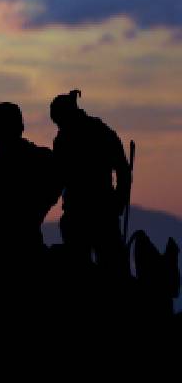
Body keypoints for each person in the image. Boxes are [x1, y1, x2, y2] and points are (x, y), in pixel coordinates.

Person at [50, 89, 131, 275]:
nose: (59, 126)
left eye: (59, 121)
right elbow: (57, 178)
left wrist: (119, 200)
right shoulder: (98, 132)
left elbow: (123, 170)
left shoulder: (92, 134)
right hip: (86, 214)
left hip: (97, 214)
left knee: (104, 270)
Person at [0, 102, 61, 266]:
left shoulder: (30, 158)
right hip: (4, 251)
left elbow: (57, 174)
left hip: (21, 251)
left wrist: (36, 209)